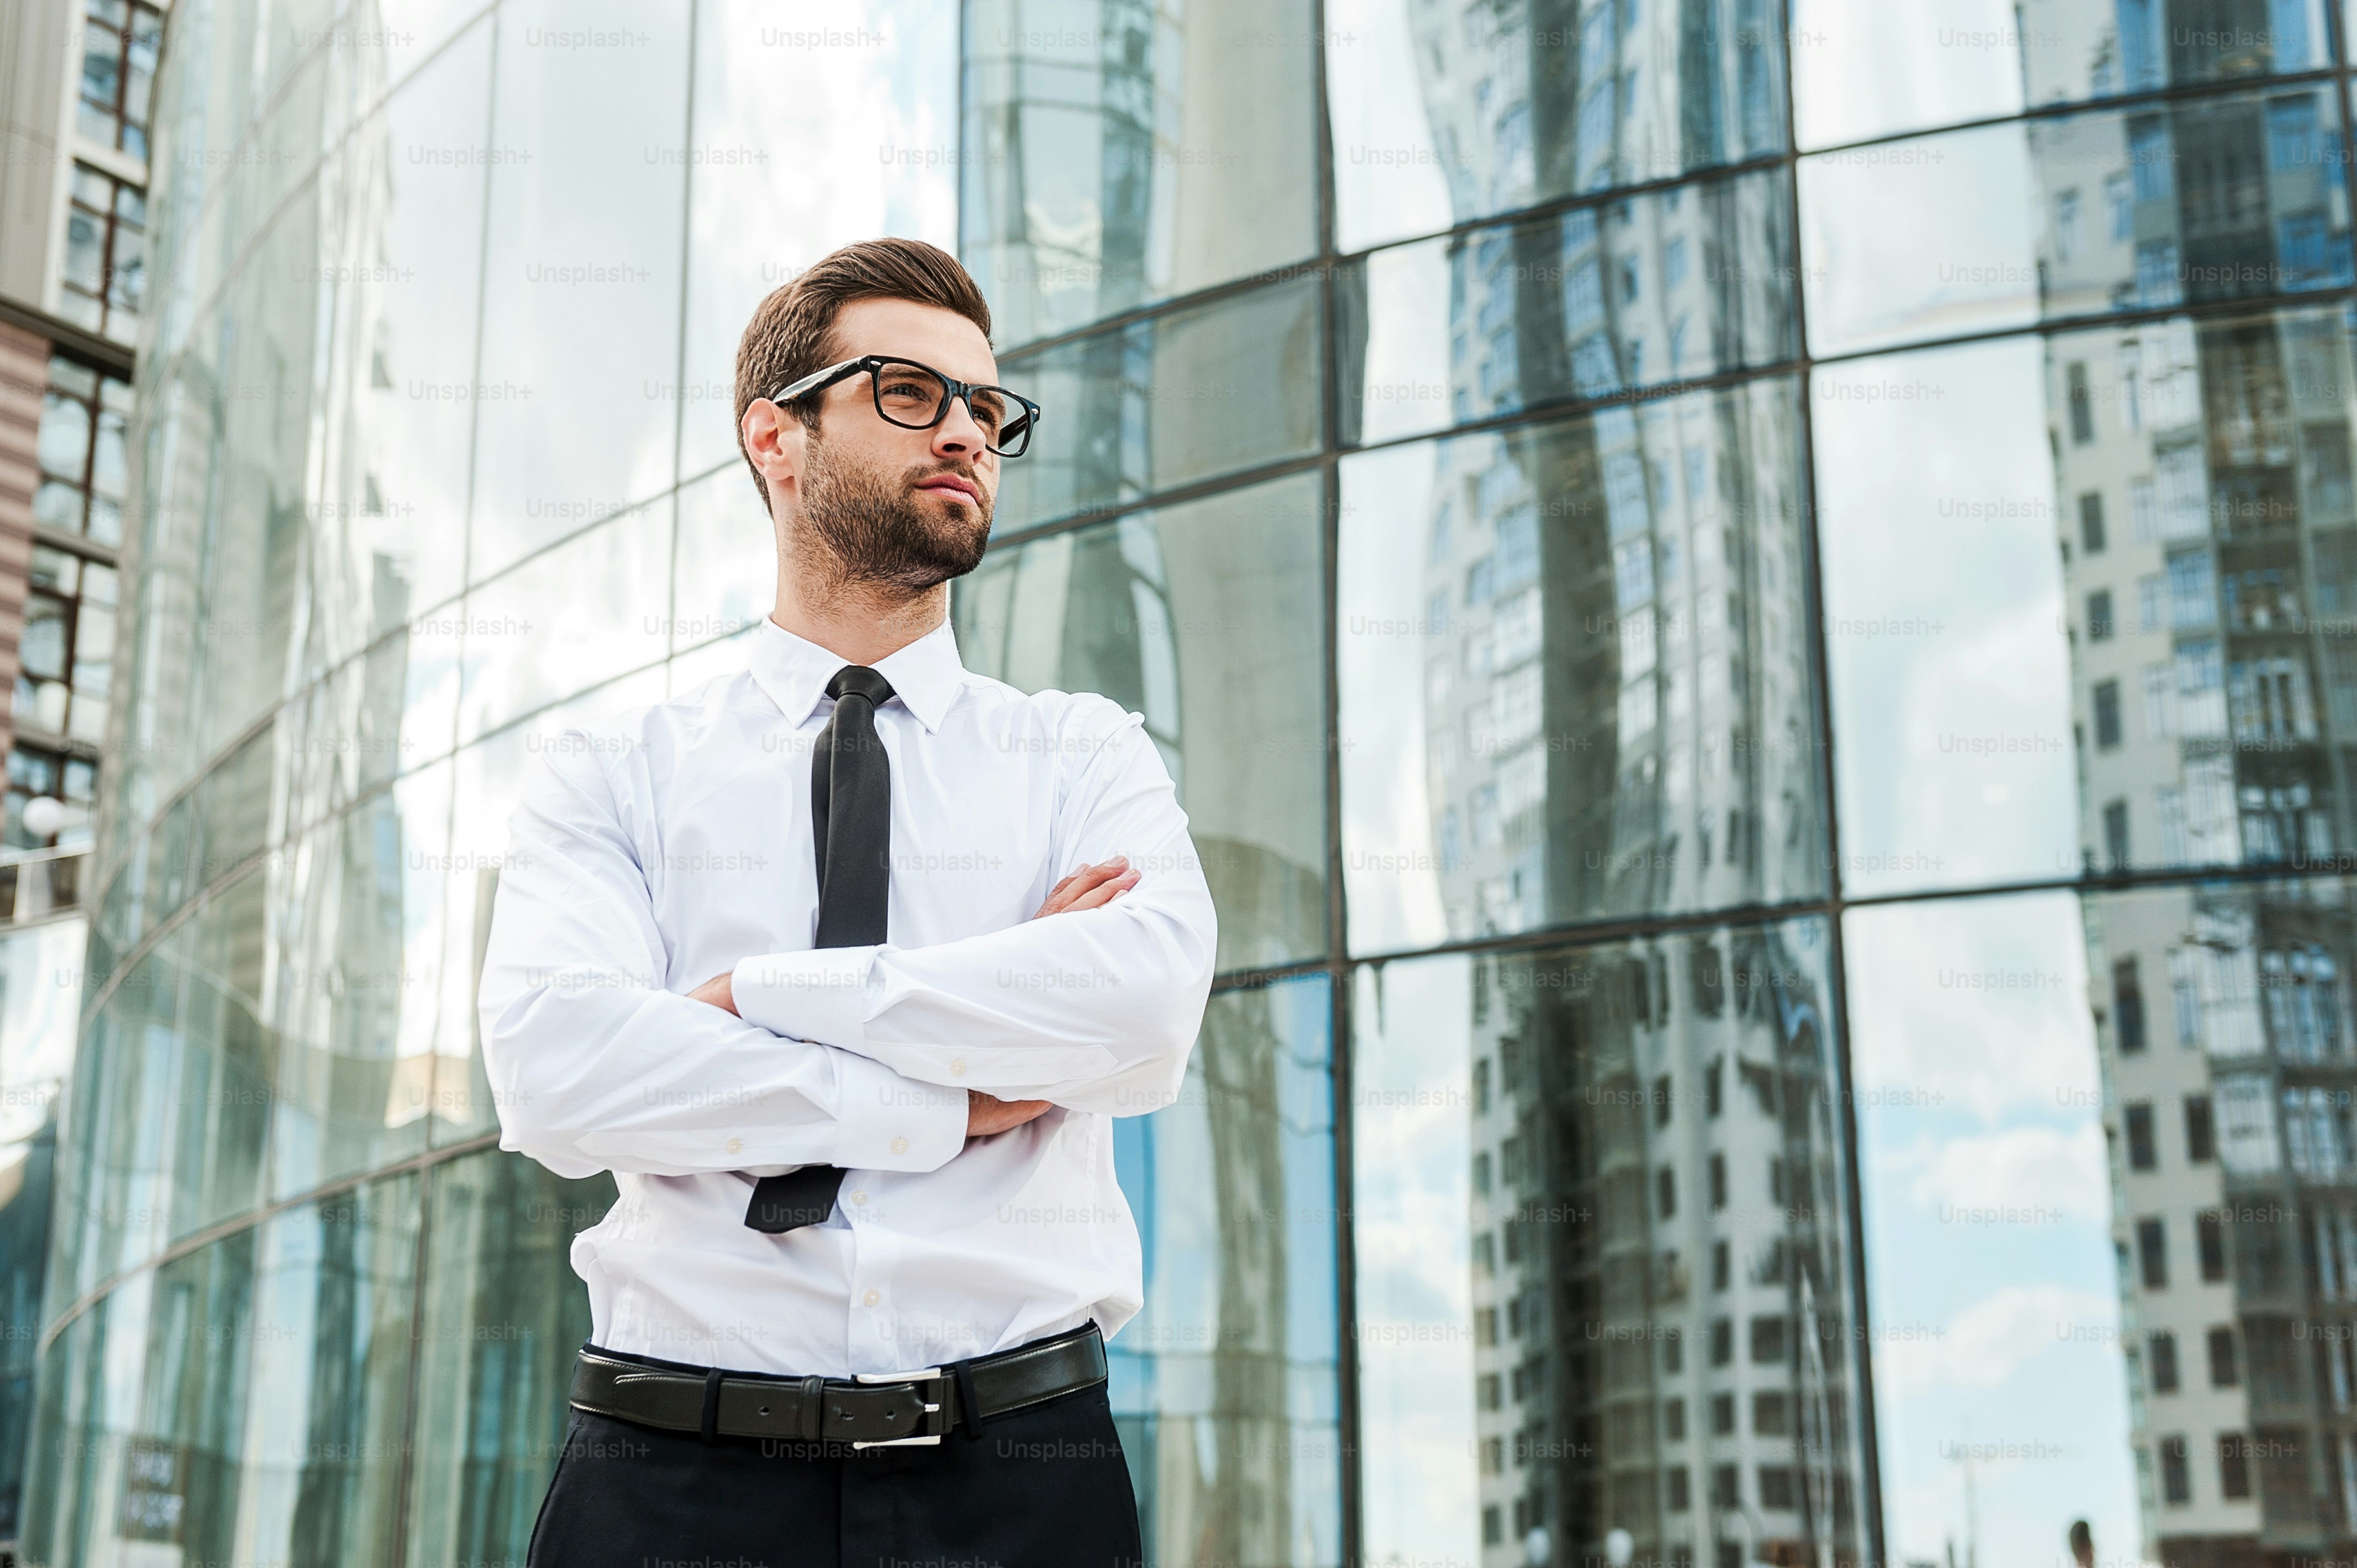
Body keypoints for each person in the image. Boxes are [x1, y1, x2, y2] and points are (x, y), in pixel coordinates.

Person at [477, 236, 1217, 1566]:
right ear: (776, 436)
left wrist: (765, 998)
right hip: (669, 1484)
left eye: (988, 408)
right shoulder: (609, 771)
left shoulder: (1083, 752)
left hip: (1021, 1479)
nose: (968, 435)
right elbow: (557, 1074)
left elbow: (1141, 1017)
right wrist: (949, 1095)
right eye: (910, 392)